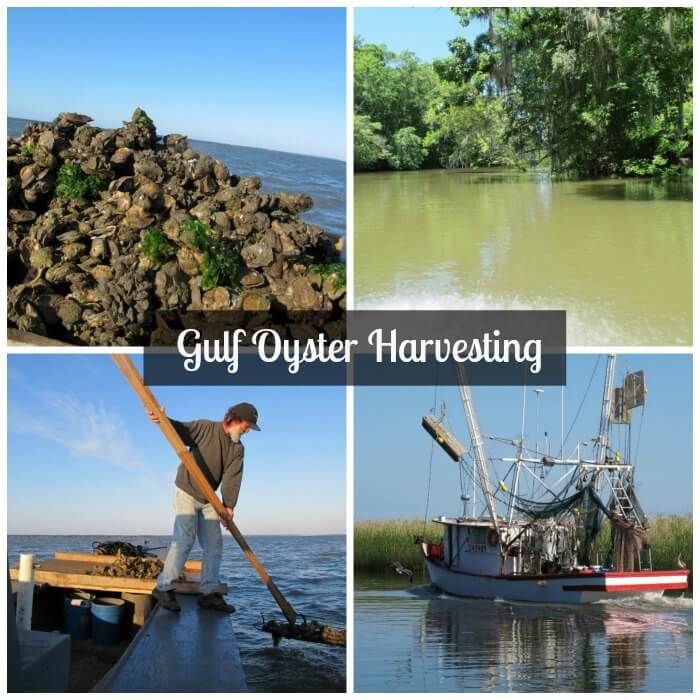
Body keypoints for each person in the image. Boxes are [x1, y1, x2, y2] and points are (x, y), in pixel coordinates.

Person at [148, 402, 260, 613]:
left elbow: (232, 477)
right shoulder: (206, 427)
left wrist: (228, 506)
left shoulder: (237, 449)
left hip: (210, 498)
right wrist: (163, 421)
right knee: (185, 539)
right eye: (247, 426)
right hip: (187, 491)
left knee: (214, 544)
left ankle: (208, 593)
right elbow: (181, 431)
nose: (247, 431)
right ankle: (163, 587)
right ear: (234, 419)